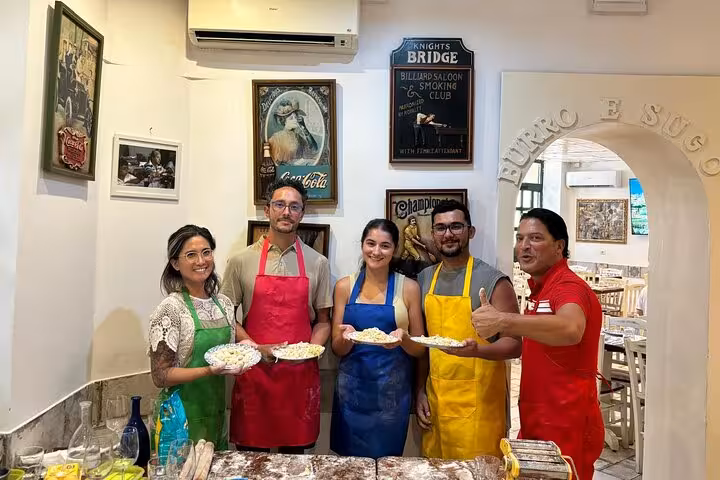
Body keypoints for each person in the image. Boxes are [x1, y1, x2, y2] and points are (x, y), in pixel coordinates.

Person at [470, 208, 604, 480]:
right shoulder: (540, 289)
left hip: (567, 422)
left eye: (535, 238)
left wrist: (504, 321)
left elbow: (570, 328)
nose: (524, 247)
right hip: (537, 419)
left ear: (559, 246)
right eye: (520, 239)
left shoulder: (568, 286)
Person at [221, 178, 332, 454]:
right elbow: (226, 317)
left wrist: (312, 350)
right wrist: (256, 348)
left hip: (298, 380)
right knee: (252, 461)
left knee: (294, 464)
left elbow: (323, 321)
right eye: (280, 205)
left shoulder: (318, 263)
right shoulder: (240, 261)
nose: (286, 212)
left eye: (294, 207)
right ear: (267, 210)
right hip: (254, 375)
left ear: (302, 214)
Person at [415, 200, 522, 459]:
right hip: (437, 400)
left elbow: (515, 345)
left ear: (470, 231)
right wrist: (419, 391)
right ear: (433, 234)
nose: (448, 234)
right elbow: (424, 344)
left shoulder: (493, 281)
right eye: (440, 228)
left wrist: (478, 351)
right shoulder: (424, 278)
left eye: (456, 226)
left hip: (480, 404)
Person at [330, 219, 426, 458]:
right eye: (370, 243)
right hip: (351, 394)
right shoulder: (344, 286)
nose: (376, 251)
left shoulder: (409, 288)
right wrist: (346, 338)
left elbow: (420, 350)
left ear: (394, 249)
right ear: (362, 245)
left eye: (385, 245)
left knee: (387, 465)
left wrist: (403, 339)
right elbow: (336, 348)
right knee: (349, 468)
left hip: (391, 397)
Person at [147, 225, 244, 449]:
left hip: (215, 414)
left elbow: (229, 353)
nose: (201, 261)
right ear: (175, 263)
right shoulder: (171, 310)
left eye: (206, 252)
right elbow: (160, 376)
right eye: (191, 255)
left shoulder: (224, 305)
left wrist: (243, 359)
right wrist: (209, 371)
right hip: (179, 418)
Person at [268, 99, 320, 166]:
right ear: (283, 121)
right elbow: (274, 162)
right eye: (291, 118)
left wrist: (304, 128)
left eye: (296, 117)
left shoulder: (298, 137)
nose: (295, 120)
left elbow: (314, 150)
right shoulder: (275, 139)